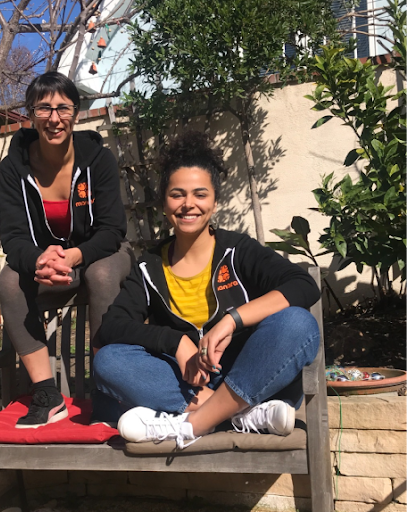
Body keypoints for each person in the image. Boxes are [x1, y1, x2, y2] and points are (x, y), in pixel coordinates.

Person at [93, 131, 321, 449]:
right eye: (177, 194)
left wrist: (232, 320)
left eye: (200, 194)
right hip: (190, 387)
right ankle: (242, 416)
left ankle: (195, 424)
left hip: (251, 374)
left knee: (298, 324)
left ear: (214, 201)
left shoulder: (237, 250)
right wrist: (176, 342)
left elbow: (303, 285)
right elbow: (111, 328)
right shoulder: (149, 266)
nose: (189, 204)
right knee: (109, 360)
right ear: (164, 203)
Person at [0, 71, 133, 429]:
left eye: (63, 108)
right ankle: (47, 395)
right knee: (10, 281)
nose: (54, 118)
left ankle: (109, 387)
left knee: (100, 273)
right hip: (49, 265)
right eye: (43, 108)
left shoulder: (98, 161)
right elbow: (13, 236)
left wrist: (73, 255)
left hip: (99, 255)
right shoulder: (13, 168)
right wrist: (38, 259)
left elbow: (112, 230)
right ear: (31, 113)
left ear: (76, 111)